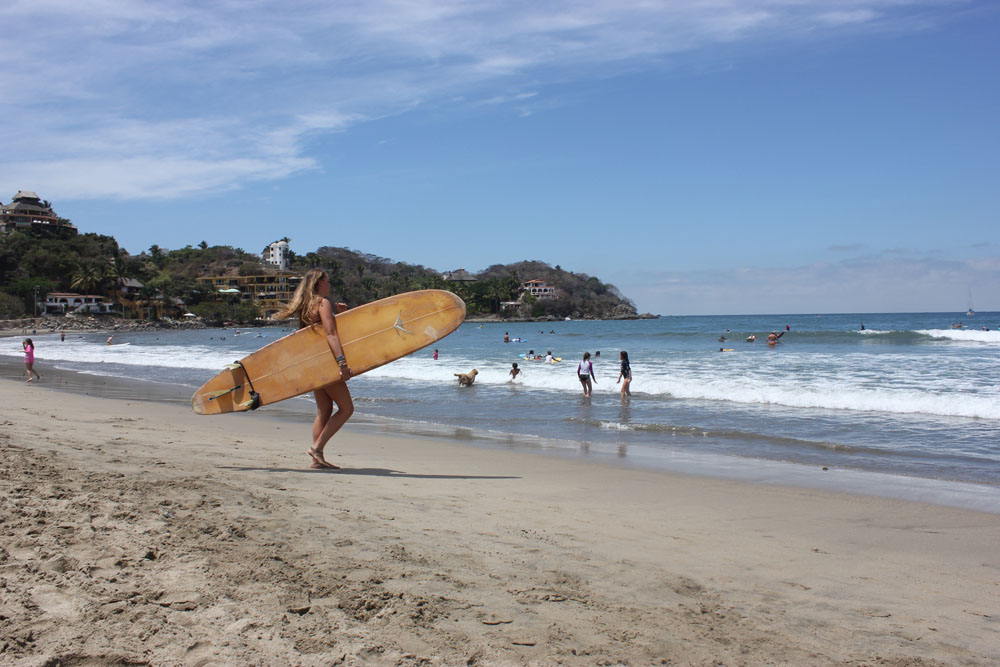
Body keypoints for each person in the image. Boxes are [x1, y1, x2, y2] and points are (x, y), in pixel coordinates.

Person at [275, 268, 354, 469]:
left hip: (311, 363)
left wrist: (342, 316)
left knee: (325, 409)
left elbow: (317, 336)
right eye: (327, 281)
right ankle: (317, 448)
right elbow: (330, 334)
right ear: (319, 283)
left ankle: (316, 460)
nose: (329, 285)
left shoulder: (306, 306)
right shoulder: (322, 303)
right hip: (325, 365)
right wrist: (342, 363)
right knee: (347, 409)